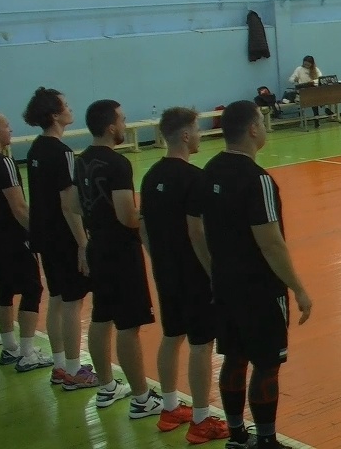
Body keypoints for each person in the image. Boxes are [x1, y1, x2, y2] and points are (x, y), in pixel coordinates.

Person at [189, 101, 311, 449]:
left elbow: (197, 230)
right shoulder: (258, 180)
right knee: (267, 363)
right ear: (253, 129)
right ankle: (267, 440)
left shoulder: (209, 170)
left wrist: (214, 270)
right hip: (260, 289)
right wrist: (298, 289)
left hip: (225, 285)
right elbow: (271, 243)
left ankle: (237, 435)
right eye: (262, 121)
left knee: (235, 357)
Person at [140, 107, 230, 443]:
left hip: (166, 271)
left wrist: (159, 258)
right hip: (193, 274)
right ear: (186, 135)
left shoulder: (151, 176)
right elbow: (197, 231)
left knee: (172, 335)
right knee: (201, 344)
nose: (201, 135)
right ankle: (201, 420)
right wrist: (212, 272)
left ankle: (169, 409)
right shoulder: (195, 178)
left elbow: (143, 227)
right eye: (197, 129)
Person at [76, 99, 163, 418]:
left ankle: (106, 386)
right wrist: (151, 218)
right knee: (128, 325)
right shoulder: (117, 163)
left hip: (96, 245)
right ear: (111, 126)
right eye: (123, 120)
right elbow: (127, 215)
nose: (125, 125)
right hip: (120, 252)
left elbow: (74, 205)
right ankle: (141, 398)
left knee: (101, 317)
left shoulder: (81, 160)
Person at [23, 87, 98, 389]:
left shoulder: (36, 149)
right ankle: (74, 369)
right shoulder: (62, 152)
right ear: (55, 115)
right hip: (63, 236)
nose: (70, 108)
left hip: (44, 235)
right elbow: (68, 203)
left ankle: (59, 366)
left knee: (56, 299)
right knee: (72, 302)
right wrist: (82, 243)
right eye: (65, 105)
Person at [0, 110, 52, 371]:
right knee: (32, 290)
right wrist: (40, 236)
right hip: (12, 237)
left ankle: (9, 348)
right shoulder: (2, 161)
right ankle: (27, 353)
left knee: (4, 289)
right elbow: (19, 207)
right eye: (6, 126)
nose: (11, 129)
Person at [287, 55, 330, 127]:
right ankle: (324, 109)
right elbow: (290, 79)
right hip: (303, 90)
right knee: (315, 98)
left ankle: (317, 119)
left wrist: (313, 81)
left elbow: (320, 79)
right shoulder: (299, 69)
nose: (306, 66)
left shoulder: (315, 69)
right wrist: (294, 79)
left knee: (314, 97)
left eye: (308, 64)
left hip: (312, 90)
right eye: (305, 64)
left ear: (312, 64)